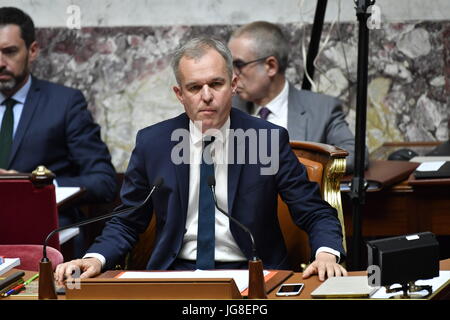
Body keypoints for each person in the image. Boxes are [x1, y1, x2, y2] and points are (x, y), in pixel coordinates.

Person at [55, 37, 347, 283]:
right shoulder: (153, 144)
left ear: (233, 85)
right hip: (174, 273)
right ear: (180, 94)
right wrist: (94, 258)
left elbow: (314, 211)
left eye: (216, 84)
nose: (206, 96)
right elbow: (127, 222)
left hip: (254, 273)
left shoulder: (267, 140)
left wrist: (325, 253)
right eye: (195, 87)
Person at [0, 7, 117, 256]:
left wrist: (37, 185)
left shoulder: (64, 103)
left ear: (32, 51)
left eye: (9, 52)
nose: (0, 63)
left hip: (46, 241)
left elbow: (104, 181)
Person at [228, 21, 366, 174]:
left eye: (238, 65)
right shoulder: (227, 107)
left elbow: (356, 156)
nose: (232, 75)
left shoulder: (322, 110)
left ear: (271, 66)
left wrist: (298, 171)